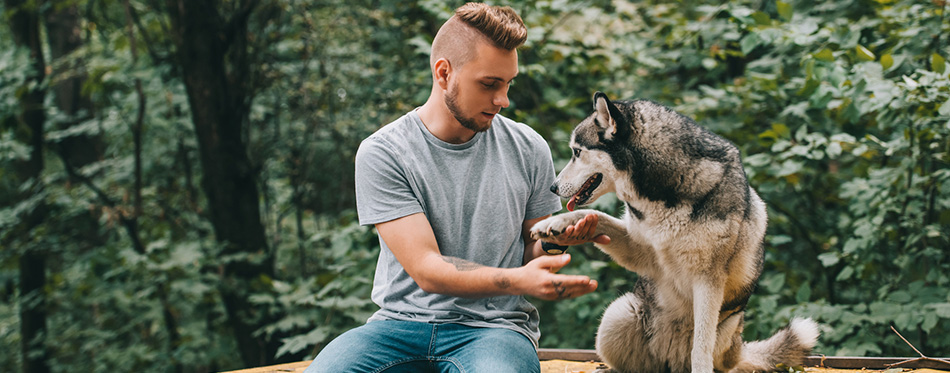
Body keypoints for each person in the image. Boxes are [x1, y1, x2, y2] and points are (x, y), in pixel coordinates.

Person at [304, 3, 608, 372]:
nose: (503, 100)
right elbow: (428, 269)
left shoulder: (529, 147)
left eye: (508, 83)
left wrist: (559, 239)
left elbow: (534, 247)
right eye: (489, 84)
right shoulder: (383, 152)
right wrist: (517, 280)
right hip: (397, 326)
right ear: (444, 73)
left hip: (494, 331)